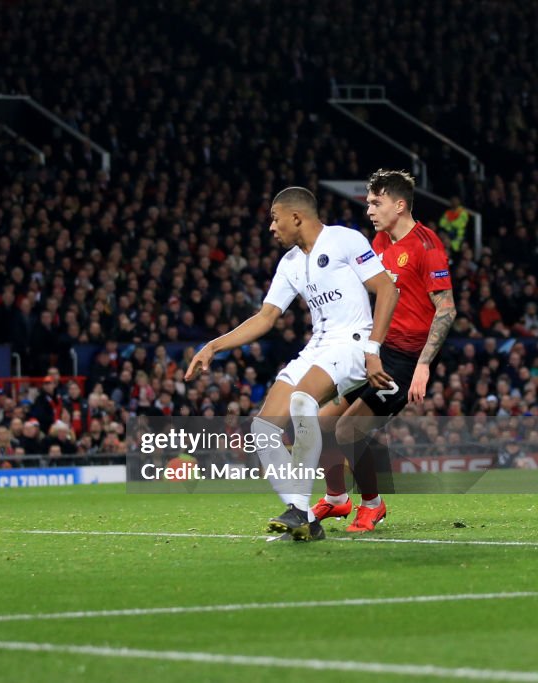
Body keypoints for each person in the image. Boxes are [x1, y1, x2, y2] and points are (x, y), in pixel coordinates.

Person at [185, 188, 398, 541]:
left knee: (303, 402)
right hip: (317, 347)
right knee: (262, 430)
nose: (271, 227)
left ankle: (299, 510)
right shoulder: (289, 264)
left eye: (274, 217)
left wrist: (374, 348)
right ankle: (304, 518)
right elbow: (266, 317)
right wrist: (214, 345)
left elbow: (387, 289)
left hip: (353, 343)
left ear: (296, 217)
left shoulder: (344, 240)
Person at [312, 170, 455, 532]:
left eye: (376, 202)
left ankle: (372, 505)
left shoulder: (426, 245)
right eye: (369, 202)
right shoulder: (378, 241)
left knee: (349, 431)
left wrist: (423, 366)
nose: (369, 209)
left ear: (400, 204)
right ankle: (336, 500)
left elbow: (447, 308)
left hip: (404, 359)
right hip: (373, 349)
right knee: (321, 423)